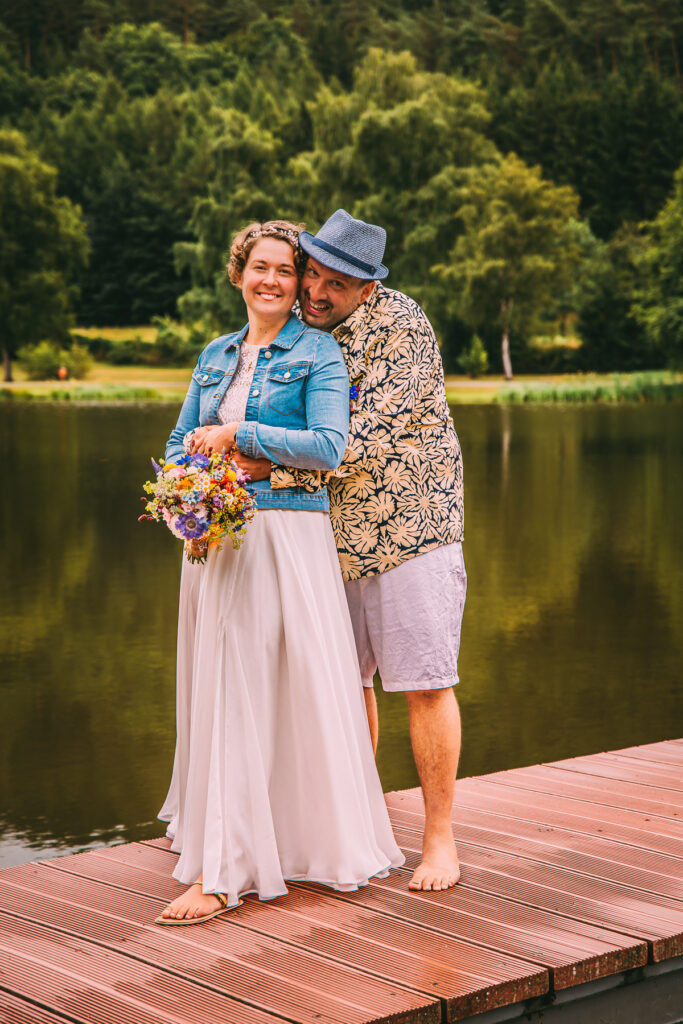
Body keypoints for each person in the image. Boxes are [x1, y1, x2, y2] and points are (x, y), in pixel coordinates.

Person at [155, 219, 403, 925]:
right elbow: (179, 440)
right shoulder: (215, 354)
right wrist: (186, 492)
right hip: (215, 541)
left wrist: (238, 437)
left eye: (284, 272)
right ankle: (238, 835)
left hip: (283, 539)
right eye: (258, 267)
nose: (270, 281)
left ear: (299, 286)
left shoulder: (317, 352)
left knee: (258, 689)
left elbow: (328, 446)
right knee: (226, 688)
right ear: (240, 274)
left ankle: (226, 873)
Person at [237, 210, 465, 892]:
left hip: (410, 531)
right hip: (327, 537)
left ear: (366, 289)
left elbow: (359, 437)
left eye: (335, 284)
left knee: (423, 683)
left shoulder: (401, 326)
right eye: (312, 272)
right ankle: (355, 828)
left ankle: (439, 842)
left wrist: (263, 463)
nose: (316, 290)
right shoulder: (301, 330)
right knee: (342, 688)